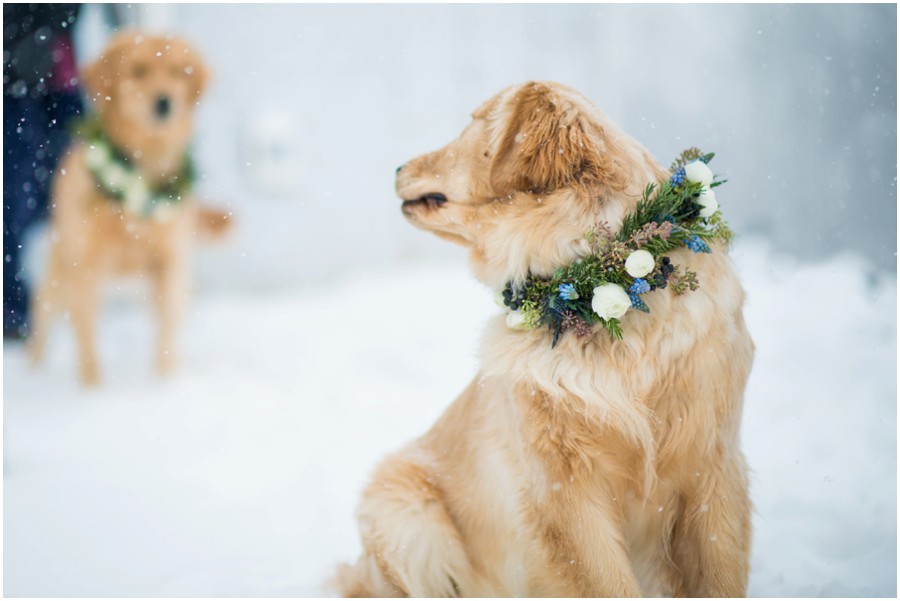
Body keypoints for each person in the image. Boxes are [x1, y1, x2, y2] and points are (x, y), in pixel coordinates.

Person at [3, 3, 84, 339]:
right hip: (14, 80)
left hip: (59, 74)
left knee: (68, 192)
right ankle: (12, 307)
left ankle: (55, 298)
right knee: (13, 198)